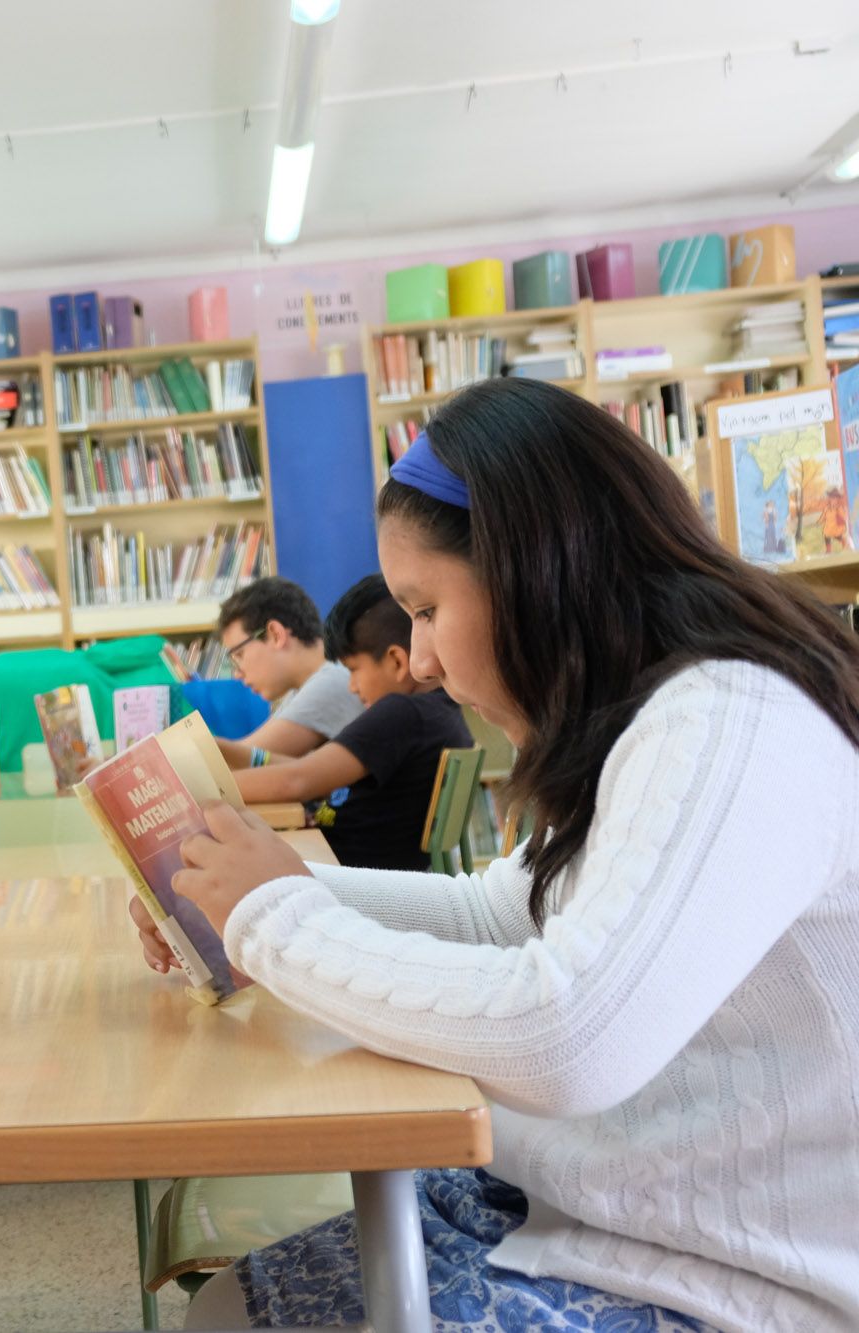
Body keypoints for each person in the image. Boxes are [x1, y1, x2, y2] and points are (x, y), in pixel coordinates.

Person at [134, 378, 858, 1331]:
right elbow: (496, 913)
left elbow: (569, 1038)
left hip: (741, 1278)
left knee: (236, 1318)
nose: (421, 659)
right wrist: (266, 886)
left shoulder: (728, 718)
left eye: (427, 609)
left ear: (535, 567)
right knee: (230, 1308)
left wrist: (271, 917)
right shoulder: (646, 712)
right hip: (613, 1209)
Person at [231, 574, 472, 870]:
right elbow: (310, 771)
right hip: (369, 870)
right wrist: (227, 753)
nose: (352, 687)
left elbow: (296, 780)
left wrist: (197, 789)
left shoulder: (401, 714)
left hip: (347, 876)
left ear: (396, 661)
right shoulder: (440, 711)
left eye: (353, 669)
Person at [209, 577, 364, 768]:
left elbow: (236, 762)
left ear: (275, 634)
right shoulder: (301, 688)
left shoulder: (331, 682)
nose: (237, 674)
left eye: (239, 655)